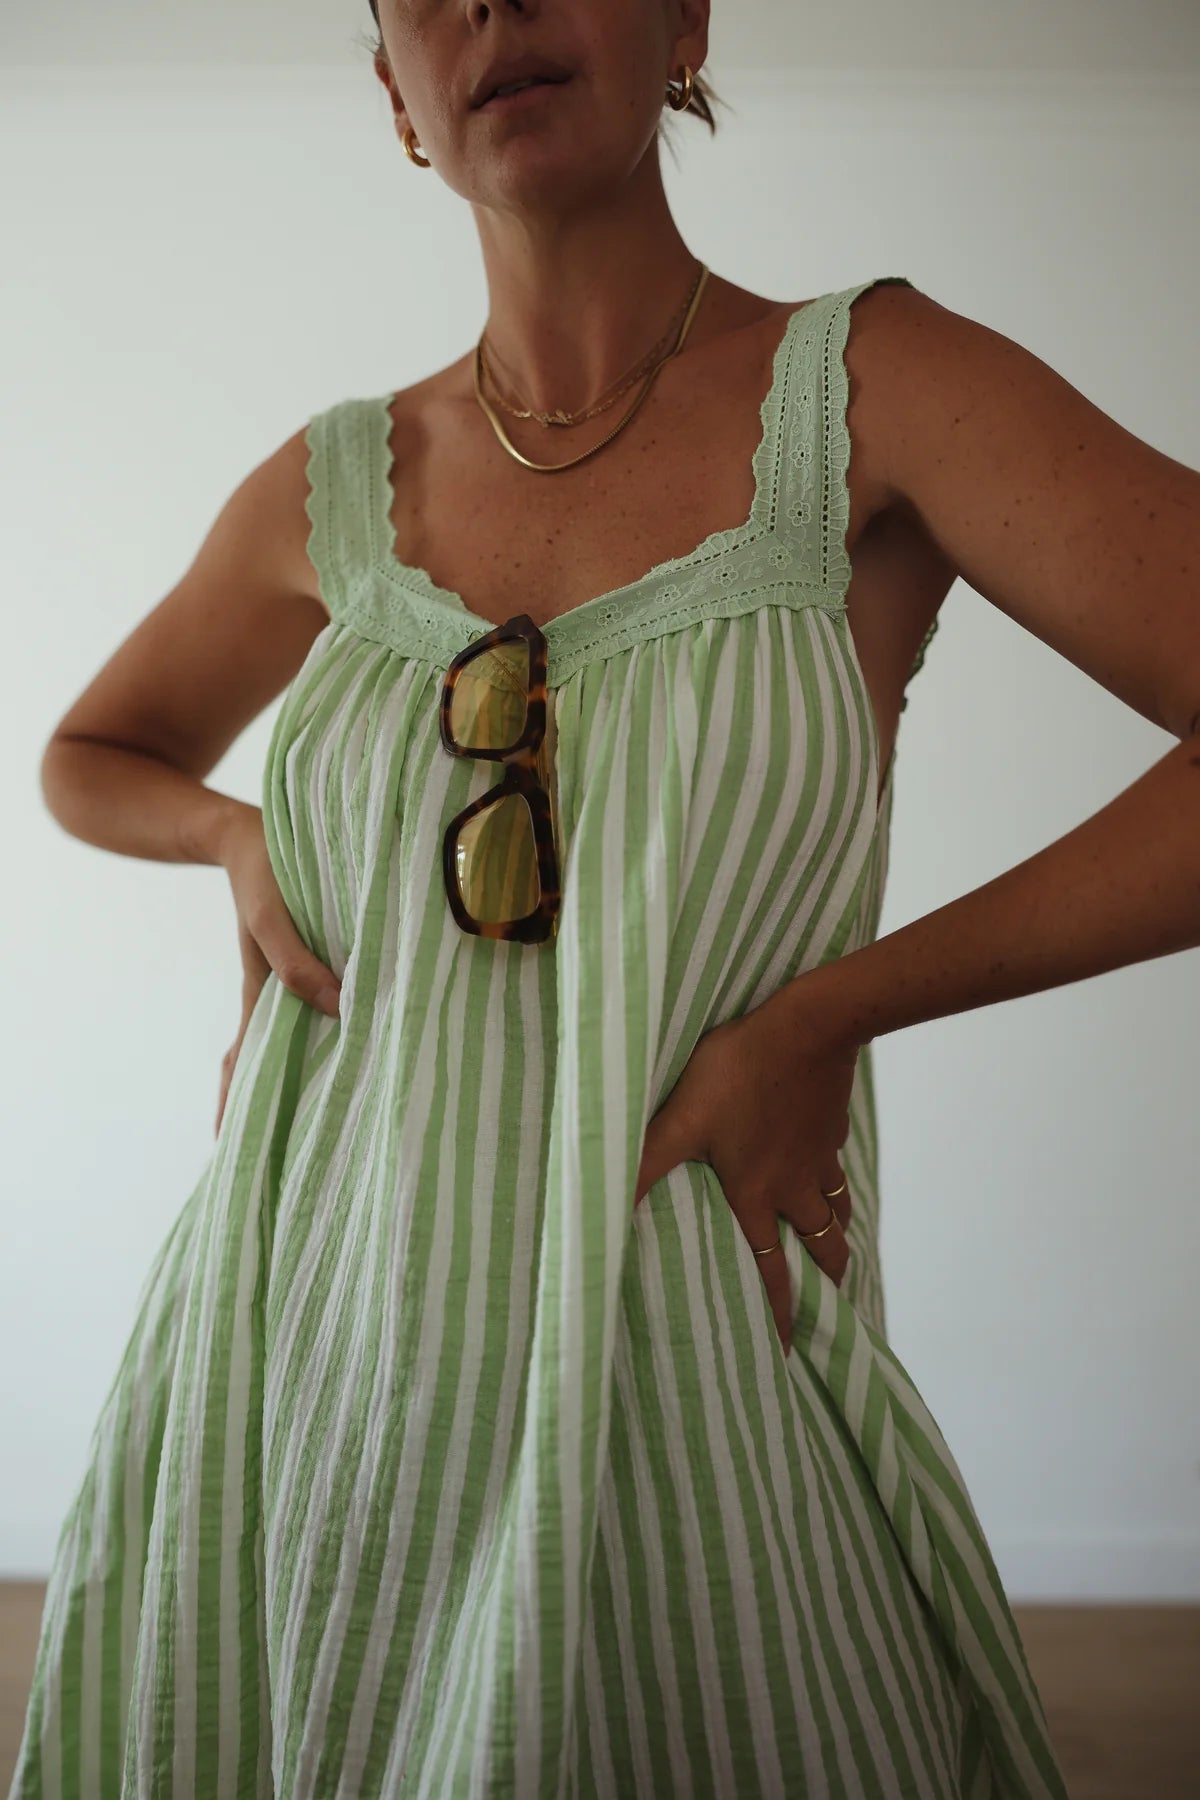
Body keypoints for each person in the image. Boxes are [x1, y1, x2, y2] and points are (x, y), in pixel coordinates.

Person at [13, 0, 1200, 1794]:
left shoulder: (870, 394)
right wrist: (240, 839)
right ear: (400, 96)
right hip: (309, 1348)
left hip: (685, 1346)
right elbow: (89, 754)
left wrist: (830, 1013)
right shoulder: (336, 485)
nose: (493, 4)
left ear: (685, 19)